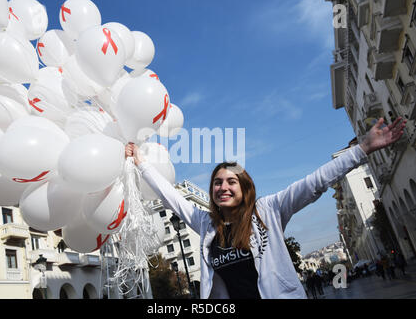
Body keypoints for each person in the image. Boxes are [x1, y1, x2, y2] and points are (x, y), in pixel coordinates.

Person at [125, 117, 406, 299]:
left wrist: (362, 149)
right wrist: (141, 164)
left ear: (244, 187)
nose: (223, 187)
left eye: (231, 181)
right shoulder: (205, 223)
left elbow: (315, 182)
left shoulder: (268, 209)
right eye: (217, 183)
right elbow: (171, 197)